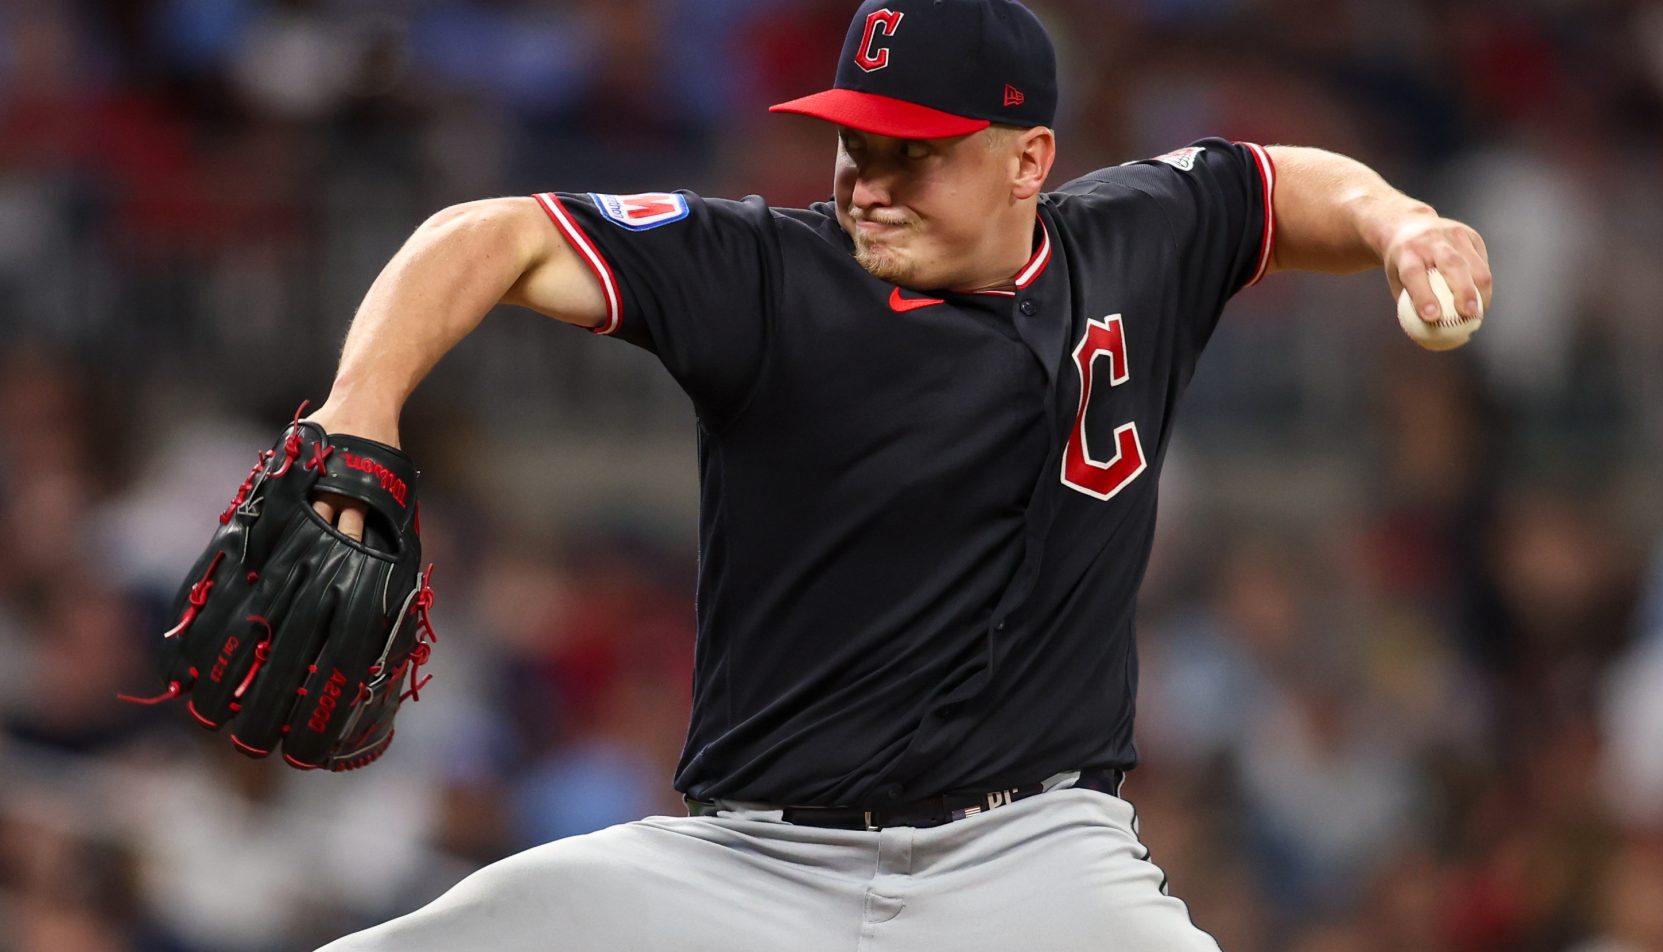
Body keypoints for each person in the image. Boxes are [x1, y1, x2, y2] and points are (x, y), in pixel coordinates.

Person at [309, 1, 1492, 948]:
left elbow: (1277, 185)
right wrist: (361, 406)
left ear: (1030, 158)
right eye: (854, 142)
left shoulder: (1138, 240)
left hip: (1035, 858)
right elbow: (486, 235)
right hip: (751, 868)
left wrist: (1402, 223)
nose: (867, 179)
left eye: (912, 154)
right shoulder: (766, 275)